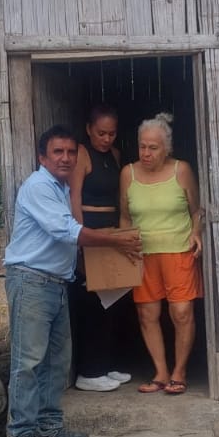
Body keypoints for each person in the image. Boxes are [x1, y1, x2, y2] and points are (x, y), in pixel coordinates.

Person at [4, 125, 144, 437]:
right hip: (32, 281)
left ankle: (49, 425)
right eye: (58, 152)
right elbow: (66, 231)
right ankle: (22, 436)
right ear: (42, 157)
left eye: (70, 152)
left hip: (55, 282)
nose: (65, 158)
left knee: (56, 361)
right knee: (28, 363)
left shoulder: (62, 187)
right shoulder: (38, 187)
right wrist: (116, 241)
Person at [119, 113, 203, 396]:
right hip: (143, 255)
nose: (146, 153)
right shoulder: (128, 174)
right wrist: (126, 245)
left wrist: (196, 232)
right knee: (147, 314)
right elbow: (125, 216)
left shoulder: (181, 170)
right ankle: (161, 372)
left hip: (178, 251)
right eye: (142, 146)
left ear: (166, 148)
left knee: (181, 312)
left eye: (153, 148)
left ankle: (179, 372)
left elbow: (196, 211)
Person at [68, 104, 133, 392]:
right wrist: (81, 239)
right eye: (101, 133)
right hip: (91, 232)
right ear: (88, 129)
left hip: (112, 234)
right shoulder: (82, 154)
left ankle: (106, 365)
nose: (106, 139)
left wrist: (122, 233)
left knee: (113, 302)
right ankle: (89, 372)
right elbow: (74, 198)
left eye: (112, 133)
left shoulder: (115, 155)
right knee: (91, 303)